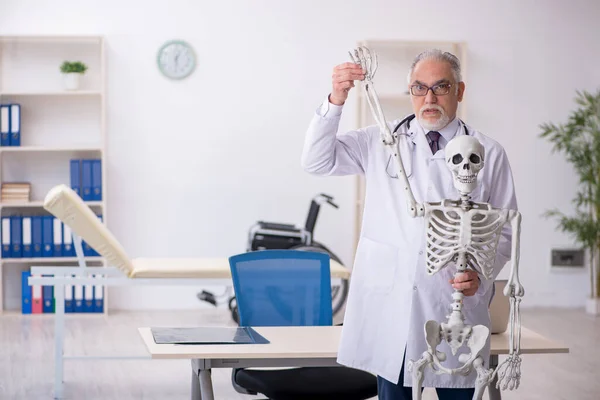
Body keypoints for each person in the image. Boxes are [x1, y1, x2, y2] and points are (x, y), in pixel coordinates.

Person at [300, 49, 518, 400]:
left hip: (456, 303)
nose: (429, 98)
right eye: (419, 88)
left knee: (460, 390)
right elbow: (316, 161)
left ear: (460, 91)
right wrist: (335, 101)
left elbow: (504, 227)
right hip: (394, 303)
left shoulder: (488, 153)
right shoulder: (378, 141)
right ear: (410, 92)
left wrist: (483, 273)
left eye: (440, 87)